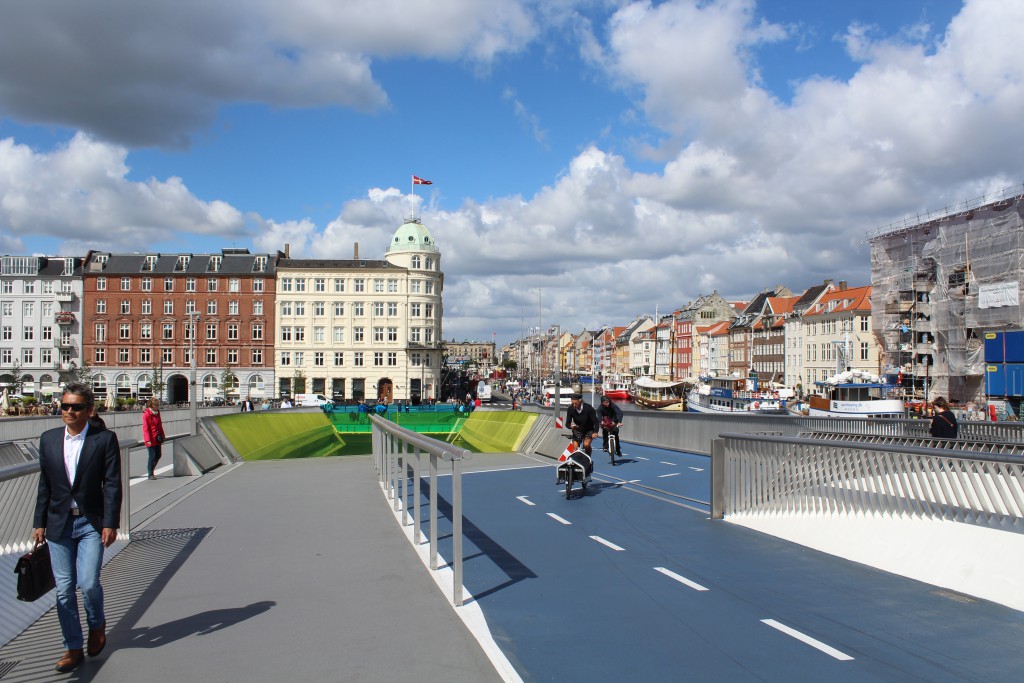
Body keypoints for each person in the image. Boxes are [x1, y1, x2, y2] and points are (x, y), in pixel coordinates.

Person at [32, 383, 122, 673]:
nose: (69, 411)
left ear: (89, 410)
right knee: (64, 590)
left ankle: (96, 625)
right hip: (59, 524)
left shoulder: (104, 439)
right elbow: (44, 485)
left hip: (90, 522)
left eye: (76, 407)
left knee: (88, 583)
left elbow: (112, 485)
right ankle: (72, 647)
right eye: (65, 406)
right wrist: (39, 523)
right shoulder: (48, 440)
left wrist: (110, 522)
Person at [142, 397, 166, 480]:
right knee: (152, 456)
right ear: (152, 405)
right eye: (156, 405)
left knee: (158, 455)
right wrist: (147, 440)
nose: (157, 407)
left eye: (158, 405)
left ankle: (151, 470)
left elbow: (160, 425)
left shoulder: (157, 413)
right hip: (151, 438)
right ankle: (150, 473)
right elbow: (145, 428)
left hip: (157, 437)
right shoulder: (146, 414)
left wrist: (163, 435)